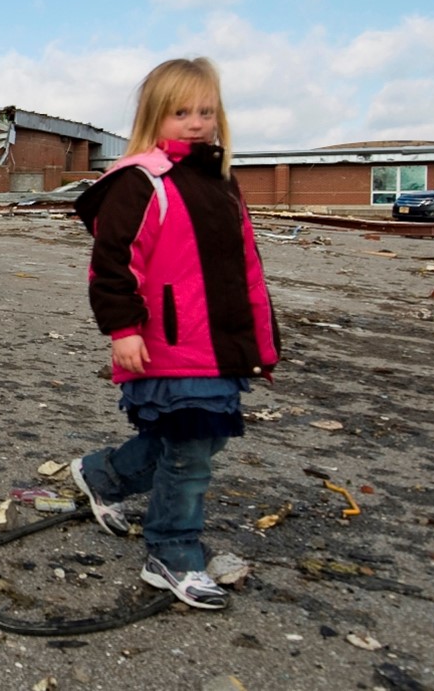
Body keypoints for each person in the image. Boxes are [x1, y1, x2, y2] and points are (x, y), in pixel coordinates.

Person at [69, 57, 279, 610]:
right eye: (181, 112)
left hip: (217, 344)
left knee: (189, 440)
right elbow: (113, 263)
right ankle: (173, 549)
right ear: (154, 116)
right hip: (166, 341)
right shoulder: (142, 182)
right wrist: (123, 329)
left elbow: (244, 271)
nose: (196, 122)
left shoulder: (223, 185)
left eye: (205, 112)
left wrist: (259, 341)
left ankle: (102, 475)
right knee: (190, 455)